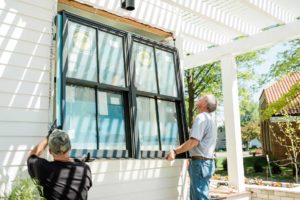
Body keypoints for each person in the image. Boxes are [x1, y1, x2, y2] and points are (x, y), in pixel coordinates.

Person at [166, 94, 217, 200]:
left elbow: (194, 142)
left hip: (200, 164)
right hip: (206, 163)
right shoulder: (210, 119)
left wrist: (175, 151)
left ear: (205, 103)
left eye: (202, 97)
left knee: (199, 197)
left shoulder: (201, 117)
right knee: (197, 196)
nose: (200, 97)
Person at [27, 129, 92, 200]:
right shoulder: (85, 169)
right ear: (70, 147)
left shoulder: (42, 168)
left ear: (50, 151)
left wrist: (48, 137)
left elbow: (32, 155)